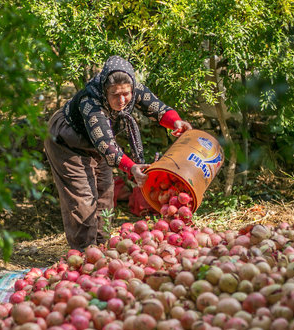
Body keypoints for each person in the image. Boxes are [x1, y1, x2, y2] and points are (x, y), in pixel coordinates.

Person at [45, 55, 193, 251]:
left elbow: (156, 107)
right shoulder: (91, 103)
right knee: (83, 199)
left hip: (97, 143)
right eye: (115, 94)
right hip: (67, 143)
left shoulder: (131, 88)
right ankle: (84, 254)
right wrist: (132, 168)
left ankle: (102, 247)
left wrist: (175, 121)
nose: (122, 100)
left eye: (126, 94)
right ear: (105, 90)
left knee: (105, 194)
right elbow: (106, 145)